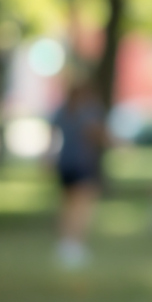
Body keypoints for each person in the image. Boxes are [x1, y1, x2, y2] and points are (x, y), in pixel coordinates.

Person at [49, 80, 108, 269]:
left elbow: (53, 135)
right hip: (82, 163)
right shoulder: (88, 110)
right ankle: (75, 244)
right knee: (83, 206)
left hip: (64, 162)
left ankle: (66, 244)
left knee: (67, 205)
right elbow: (94, 132)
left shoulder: (62, 111)